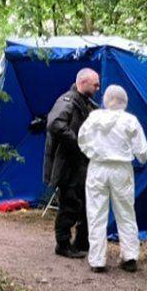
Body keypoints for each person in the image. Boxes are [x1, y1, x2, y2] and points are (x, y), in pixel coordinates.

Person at [77, 85, 147, 273]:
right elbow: (142, 152)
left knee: (96, 214)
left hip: (97, 168)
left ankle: (97, 260)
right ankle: (130, 257)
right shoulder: (130, 120)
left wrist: (93, 153)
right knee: (125, 213)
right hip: (122, 169)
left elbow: (82, 140)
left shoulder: (94, 117)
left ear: (106, 100)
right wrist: (141, 158)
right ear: (124, 101)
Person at [44, 68, 100, 258]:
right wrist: (77, 142)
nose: (98, 87)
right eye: (95, 84)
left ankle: (81, 242)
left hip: (81, 164)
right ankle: (63, 244)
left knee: (85, 203)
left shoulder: (88, 104)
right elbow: (54, 124)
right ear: (83, 82)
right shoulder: (67, 101)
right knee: (70, 204)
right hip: (67, 164)